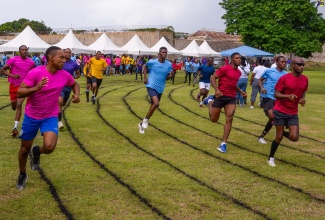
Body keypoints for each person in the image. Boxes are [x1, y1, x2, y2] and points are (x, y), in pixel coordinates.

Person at [15, 46, 80, 190]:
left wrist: (77, 95)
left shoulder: (64, 74)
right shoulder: (36, 73)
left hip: (50, 116)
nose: (65, 60)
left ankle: (37, 151)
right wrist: (35, 89)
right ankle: (22, 174)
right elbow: (20, 92)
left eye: (65, 57)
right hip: (32, 116)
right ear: (51, 58)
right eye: (61, 57)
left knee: (50, 147)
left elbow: (75, 83)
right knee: (24, 149)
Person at [267, 57, 308, 167]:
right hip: (280, 111)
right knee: (279, 136)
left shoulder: (305, 79)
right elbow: (276, 94)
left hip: (293, 112)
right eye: (299, 64)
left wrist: (302, 99)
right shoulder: (284, 78)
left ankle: (280, 132)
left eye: (303, 64)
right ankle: (270, 158)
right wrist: (288, 96)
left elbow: (303, 91)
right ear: (293, 65)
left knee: (294, 137)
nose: (302, 66)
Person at [203, 52, 246, 153]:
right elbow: (212, 77)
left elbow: (232, 84)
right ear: (232, 60)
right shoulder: (225, 68)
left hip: (231, 97)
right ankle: (209, 101)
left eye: (240, 58)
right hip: (221, 96)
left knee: (229, 118)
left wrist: (240, 91)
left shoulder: (239, 72)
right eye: (237, 58)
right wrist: (217, 90)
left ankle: (223, 144)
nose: (239, 60)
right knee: (213, 119)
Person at [0, 45, 35, 137]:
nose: (24, 51)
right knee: (14, 107)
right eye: (22, 50)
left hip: (24, 87)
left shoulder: (31, 62)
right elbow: (2, 70)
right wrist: (12, 75)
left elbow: (34, 72)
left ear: (27, 51)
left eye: (25, 50)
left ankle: (15, 128)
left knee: (19, 104)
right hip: (13, 85)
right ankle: (14, 110)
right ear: (19, 51)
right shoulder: (13, 60)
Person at [138, 47, 173, 134]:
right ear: (159, 53)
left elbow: (168, 75)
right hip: (151, 85)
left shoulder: (168, 64)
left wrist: (170, 75)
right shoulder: (153, 62)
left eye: (166, 52)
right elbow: (145, 66)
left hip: (160, 88)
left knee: (153, 106)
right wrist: (145, 77)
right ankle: (146, 120)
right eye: (163, 52)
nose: (165, 54)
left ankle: (141, 124)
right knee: (156, 103)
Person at [257, 56, 287, 144]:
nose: (284, 63)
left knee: (273, 119)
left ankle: (261, 136)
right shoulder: (269, 71)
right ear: (277, 63)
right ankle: (262, 104)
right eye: (282, 62)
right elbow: (260, 80)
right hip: (267, 96)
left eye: (285, 62)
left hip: (277, 98)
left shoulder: (285, 74)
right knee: (272, 116)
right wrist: (262, 87)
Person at [58, 48, 80, 130]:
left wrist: (74, 77)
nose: (67, 53)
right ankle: (59, 122)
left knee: (63, 103)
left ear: (71, 54)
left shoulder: (74, 64)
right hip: (60, 85)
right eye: (66, 52)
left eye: (69, 52)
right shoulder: (60, 62)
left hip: (68, 86)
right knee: (59, 101)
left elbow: (78, 74)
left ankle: (57, 112)